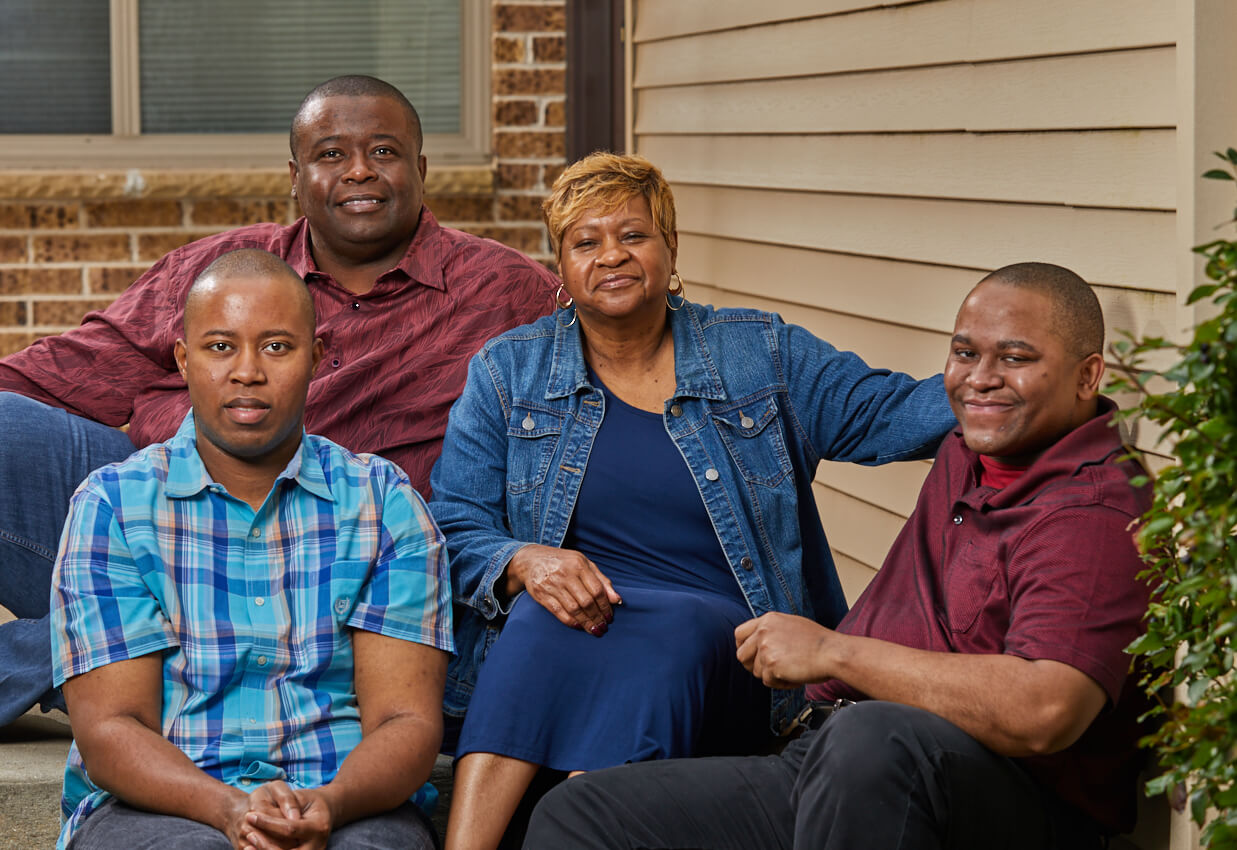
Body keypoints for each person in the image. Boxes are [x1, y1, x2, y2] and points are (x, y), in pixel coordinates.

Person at [523, 262, 1153, 850]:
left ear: (1087, 376)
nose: (980, 377)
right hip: (836, 756)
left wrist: (832, 651)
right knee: (580, 815)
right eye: (965, 353)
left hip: (998, 802)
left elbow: (1046, 710)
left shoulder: (1092, 513)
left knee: (874, 739)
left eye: (1015, 359)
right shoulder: (971, 448)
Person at [427, 152, 957, 850]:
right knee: (538, 614)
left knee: (664, 630)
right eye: (585, 241)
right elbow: (456, 526)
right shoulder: (508, 372)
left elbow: (885, 414)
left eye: (633, 235)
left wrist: (1001, 381)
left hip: (731, 652)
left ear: (669, 249)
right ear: (559, 265)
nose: (611, 255)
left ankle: (597, 825)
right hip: (575, 631)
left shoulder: (757, 354)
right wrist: (525, 560)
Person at [0, 74, 556, 727]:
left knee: (235, 614)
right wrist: (168, 420)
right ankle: (146, 649)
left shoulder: (508, 294)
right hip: (167, 522)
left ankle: (124, 654)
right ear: (294, 177)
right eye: (330, 154)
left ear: (420, 169)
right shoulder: (226, 272)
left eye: (382, 152)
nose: (358, 172)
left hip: (342, 568)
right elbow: (68, 369)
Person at [49, 249, 453, 850]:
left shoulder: (382, 503)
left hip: (347, 798)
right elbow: (113, 729)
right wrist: (231, 810)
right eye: (219, 347)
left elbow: (407, 722)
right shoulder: (113, 507)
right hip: (162, 801)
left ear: (316, 359)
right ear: (183, 360)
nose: (247, 372)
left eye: (275, 347)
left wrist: (327, 805)